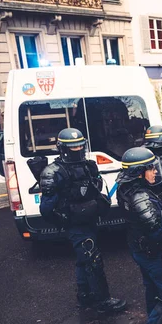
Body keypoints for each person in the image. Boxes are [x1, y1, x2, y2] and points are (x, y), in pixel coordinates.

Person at [39, 128, 126, 313]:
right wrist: (64, 221)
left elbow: (96, 187)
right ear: (63, 148)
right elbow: (46, 209)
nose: (77, 149)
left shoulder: (89, 165)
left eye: (79, 145)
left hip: (90, 220)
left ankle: (85, 295)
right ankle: (102, 301)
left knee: (83, 260)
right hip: (75, 225)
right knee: (93, 260)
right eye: (73, 147)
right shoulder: (53, 172)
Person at [116, 147, 162, 324]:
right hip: (152, 252)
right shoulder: (140, 196)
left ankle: (160, 322)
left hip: (140, 249)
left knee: (152, 288)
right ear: (138, 172)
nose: (155, 172)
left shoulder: (127, 187)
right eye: (150, 168)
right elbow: (158, 232)